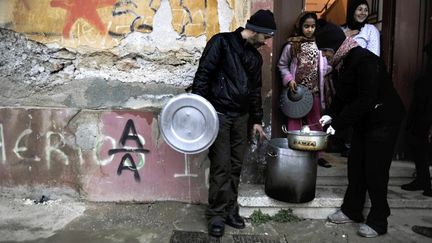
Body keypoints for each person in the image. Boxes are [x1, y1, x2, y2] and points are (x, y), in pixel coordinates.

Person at [315, 20, 405, 238]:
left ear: (332, 49)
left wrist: (338, 123)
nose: (325, 57)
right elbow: (343, 95)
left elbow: (366, 99)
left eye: (325, 53)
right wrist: (330, 114)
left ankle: (378, 219)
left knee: (375, 171)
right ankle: (352, 210)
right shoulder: (345, 62)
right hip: (365, 121)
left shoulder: (365, 61)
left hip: (384, 120)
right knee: (355, 166)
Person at [191, 9, 276, 237]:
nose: (267, 41)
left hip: (242, 118)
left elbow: (255, 91)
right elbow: (203, 75)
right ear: (257, 30)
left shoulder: (255, 57)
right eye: (266, 36)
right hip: (217, 114)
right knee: (221, 166)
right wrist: (200, 111)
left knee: (236, 165)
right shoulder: (222, 42)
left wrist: (256, 120)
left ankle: (230, 210)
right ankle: (216, 215)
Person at [277, 12, 331, 168]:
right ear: (300, 26)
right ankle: (294, 151)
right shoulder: (292, 45)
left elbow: (326, 66)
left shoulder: (320, 45)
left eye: (313, 26)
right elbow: (282, 65)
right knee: (294, 121)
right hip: (296, 93)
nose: (309, 30)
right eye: (306, 26)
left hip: (314, 92)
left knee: (316, 123)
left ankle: (318, 154)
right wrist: (289, 80)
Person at [400, 41, 432, 197]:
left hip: (425, 112)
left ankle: (424, 181)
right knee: (419, 145)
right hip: (422, 112)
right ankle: (423, 180)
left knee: (420, 145)